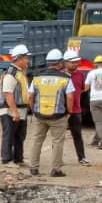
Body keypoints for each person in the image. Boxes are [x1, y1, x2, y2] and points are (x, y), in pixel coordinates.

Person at [27, 48, 76, 177]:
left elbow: (30, 96)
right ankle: (55, 170)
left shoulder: (37, 77)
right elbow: (70, 97)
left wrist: (34, 110)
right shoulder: (65, 78)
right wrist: (69, 112)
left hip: (39, 114)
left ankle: (33, 168)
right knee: (57, 142)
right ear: (60, 63)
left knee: (37, 141)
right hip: (58, 116)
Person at [0, 44, 31, 168]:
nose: (28, 60)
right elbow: (8, 93)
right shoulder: (11, 73)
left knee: (20, 135)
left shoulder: (20, 72)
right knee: (9, 134)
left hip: (19, 109)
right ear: (20, 58)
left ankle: (18, 158)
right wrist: (15, 111)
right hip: (9, 110)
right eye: (26, 58)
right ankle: (6, 159)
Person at [63, 50, 89, 166]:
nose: (75, 64)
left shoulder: (80, 75)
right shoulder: (60, 75)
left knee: (77, 135)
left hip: (76, 111)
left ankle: (81, 157)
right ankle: (57, 159)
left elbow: (82, 89)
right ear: (66, 62)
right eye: (72, 62)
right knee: (59, 137)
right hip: (61, 111)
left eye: (76, 62)